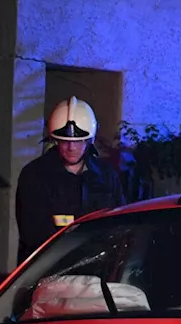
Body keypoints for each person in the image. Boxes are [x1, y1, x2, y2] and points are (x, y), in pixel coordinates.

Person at [14, 96, 126, 264]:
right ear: (54, 140)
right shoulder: (34, 175)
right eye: (64, 141)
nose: (71, 148)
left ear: (89, 140)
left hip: (97, 270)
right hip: (50, 270)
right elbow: (33, 235)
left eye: (78, 141)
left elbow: (120, 223)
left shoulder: (106, 175)